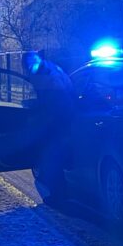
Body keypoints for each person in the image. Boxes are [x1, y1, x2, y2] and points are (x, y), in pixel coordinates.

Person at [21, 51, 74, 204]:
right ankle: (61, 192)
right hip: (64, 118)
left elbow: (54, 100)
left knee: (52, 158)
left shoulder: (47, 75)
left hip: (59, 121)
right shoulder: (50, 69)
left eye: (26, 67)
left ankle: (58, 197)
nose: (27, 71)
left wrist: (36, 106)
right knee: (56, 157)